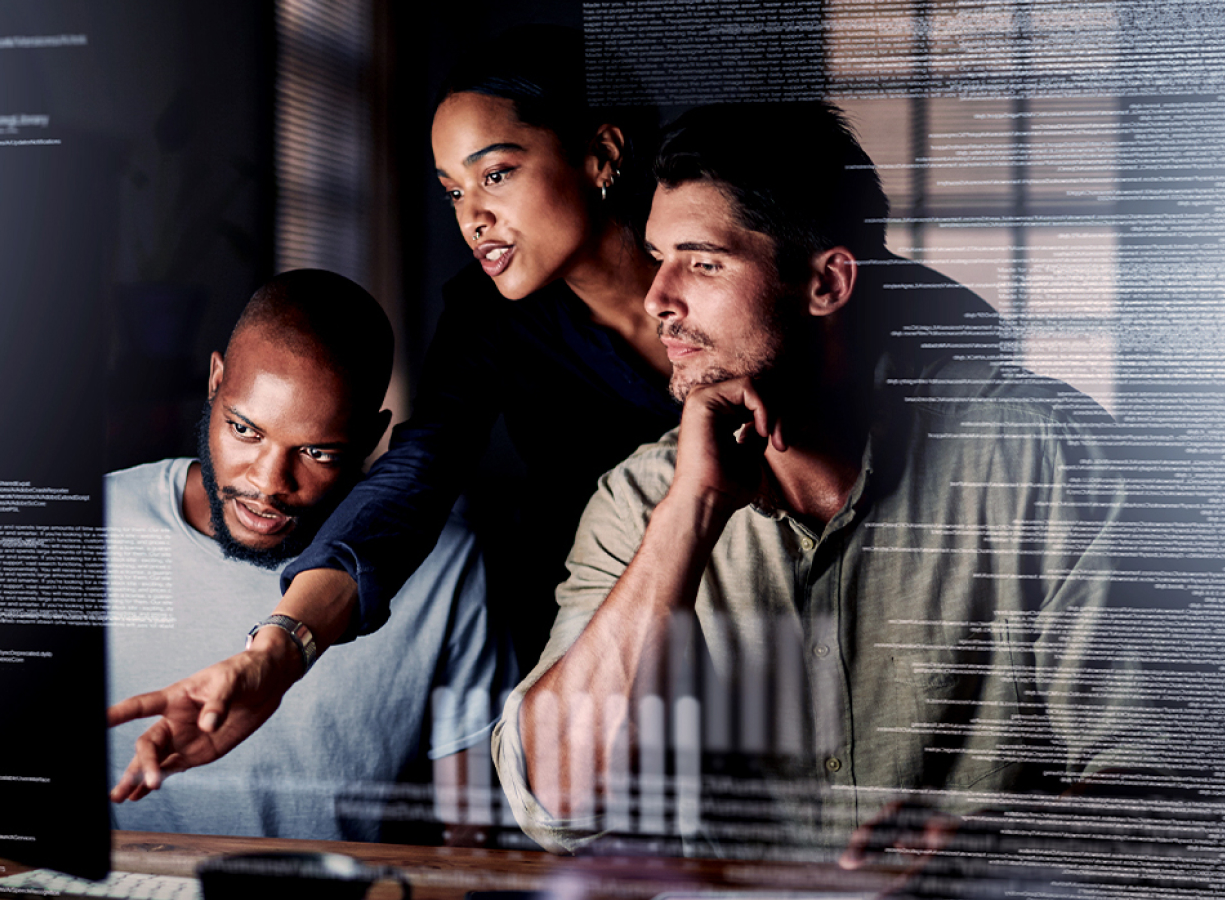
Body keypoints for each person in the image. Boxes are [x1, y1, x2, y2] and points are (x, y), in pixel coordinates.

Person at [490, 102, 1164, 878]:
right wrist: (692, 513)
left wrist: (1002, 846)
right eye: (657, 257)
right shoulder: (644, 500)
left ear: (825, 282)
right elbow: (558, 806)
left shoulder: (1044, 461)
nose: (657, 298)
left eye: (702, 263)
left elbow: (1164, 778)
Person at [109, 25, 684, 793]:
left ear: (602, 155)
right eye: (453, 191)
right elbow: (417, 474)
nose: (471, 217)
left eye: (497, 174)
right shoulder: (489, 320)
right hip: (601, 625)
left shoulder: (738, 274)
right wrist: (276, 654)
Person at [104, 269, 513, 842]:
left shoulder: (444, 560)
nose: (269, 483)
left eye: (317, 452)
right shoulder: (99, 523)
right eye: (245, 430)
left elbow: (469, 830)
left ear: (373, 438)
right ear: (216, 380)